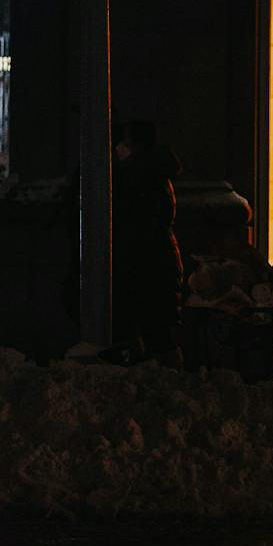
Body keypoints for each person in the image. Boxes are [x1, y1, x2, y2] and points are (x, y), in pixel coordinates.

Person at [112, 120, 184, 365]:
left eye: (126, 141)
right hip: (156, 259)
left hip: (149, 261)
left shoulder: (142, 176)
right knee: (158, 328)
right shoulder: (152, 173)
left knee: (156, 330)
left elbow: (137, 220)